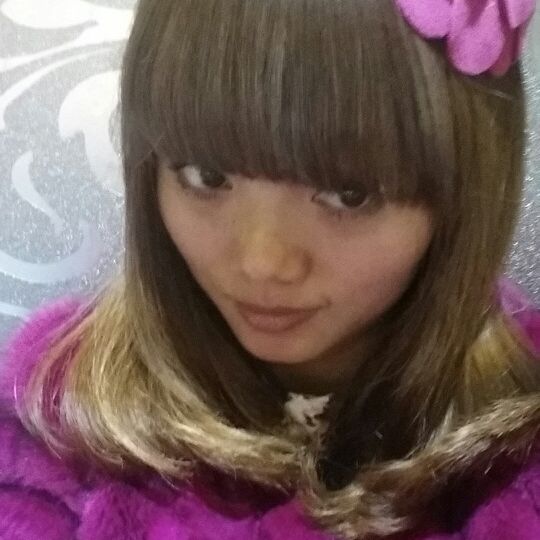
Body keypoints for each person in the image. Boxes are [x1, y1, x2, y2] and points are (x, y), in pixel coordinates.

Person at [1, 0, 539, 538]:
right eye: (207, 176)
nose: (262, 264)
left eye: (348, 195)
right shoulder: (53, 420)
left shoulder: (520, 454)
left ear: (461, 194)